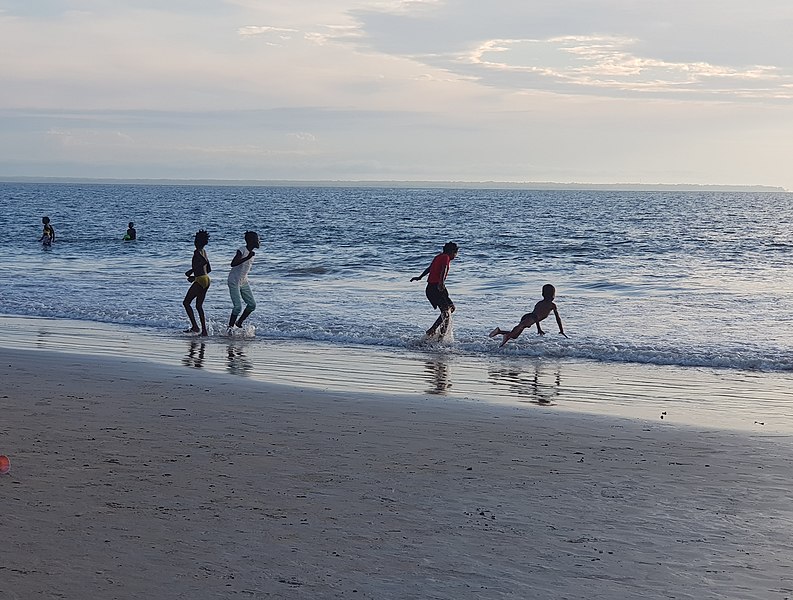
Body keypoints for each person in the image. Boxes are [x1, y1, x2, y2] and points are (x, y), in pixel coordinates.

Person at [489, 283, 568, 347]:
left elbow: (556, 318)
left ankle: (499, 331)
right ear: (553, 295)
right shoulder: (550, 305)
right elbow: (537, 316)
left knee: (515, 336)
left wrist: (561, 330)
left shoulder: (543, 304)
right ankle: (506, 336)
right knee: (517, 329)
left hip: (529, 317)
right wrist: (539, 328)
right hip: (531, 318)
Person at [411, 242, 459, 338]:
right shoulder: (446, 257)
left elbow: (429, 268)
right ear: (452, 252)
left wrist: (420, 277)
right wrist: (441, 283)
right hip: (436, 287)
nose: (456, 255)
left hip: (432, 288)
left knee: (451, 308)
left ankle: (434, 330)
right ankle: (439, 337)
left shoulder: (438, 257)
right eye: (456, 253)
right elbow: (444, 268)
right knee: (446, 313)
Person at [227, 231, 260, 330]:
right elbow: (233, 263)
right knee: (237, 307)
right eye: (258, 240)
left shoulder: (251, 253)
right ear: (252, 241)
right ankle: (230, 328)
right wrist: (247, 258)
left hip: (243, 281)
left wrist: (249, 257)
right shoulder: (242, 250)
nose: (259, 241)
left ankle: (239, 322)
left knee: (252, 305)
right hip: (234, 281)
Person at [183, 230, 211, 336]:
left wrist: (192, 272)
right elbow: (208, 268)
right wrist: (196, 276)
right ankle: (204, 331)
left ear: (197, 242)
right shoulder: (204, 251)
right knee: (199, 306)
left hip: (201, 280)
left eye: (195, 240)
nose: (194, 242)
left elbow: (204, 262)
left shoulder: (197, 252)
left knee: (186, 303)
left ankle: (195, 327)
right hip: (206, 279)